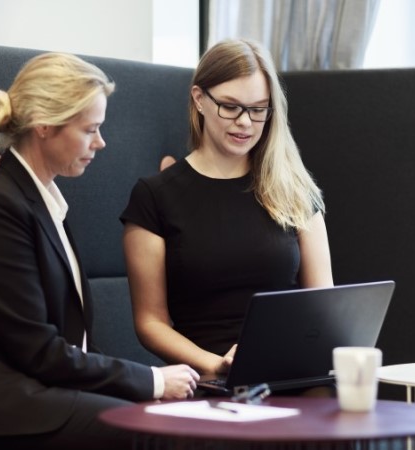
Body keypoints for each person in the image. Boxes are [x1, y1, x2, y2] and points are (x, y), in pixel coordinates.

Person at [0, 52, 199, 450]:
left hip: (41, 392)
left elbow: (72, 345)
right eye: (91, 130)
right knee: (157, 435)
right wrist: (153, 381)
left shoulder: (42, 201)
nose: (100, 143)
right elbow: (38, 350)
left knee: (180, 422)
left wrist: (147, 386)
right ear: (45, 125)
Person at [120, 39, 334, 378]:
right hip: (206, 377)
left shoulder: (293, 190)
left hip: (291, 370)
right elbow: (150, 322)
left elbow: (324, 306)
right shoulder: (154, 196)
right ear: (199, 100)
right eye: (231, 107)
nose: (245, 123)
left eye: (258, 109)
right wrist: (215, 364)